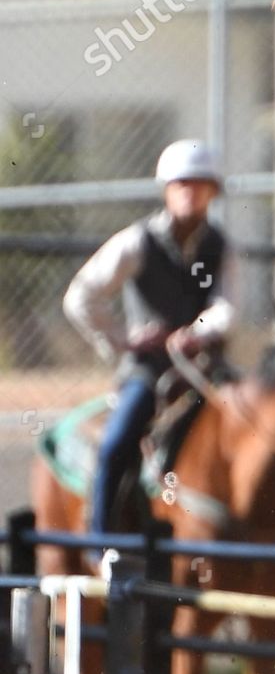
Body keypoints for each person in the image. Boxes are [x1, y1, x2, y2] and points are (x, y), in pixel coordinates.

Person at [63, 139, 235, 541]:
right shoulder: (137, 241)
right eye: (182, 184)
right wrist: (125, 339)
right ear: (166, 189)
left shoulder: (220, 245)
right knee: (117, 440)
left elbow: (228, 306)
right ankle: (100, 541)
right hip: (150, 370)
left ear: (213, 190)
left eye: (199, 183)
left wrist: (197, 333)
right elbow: (81, 296)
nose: (191, 192)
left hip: (206, 368)